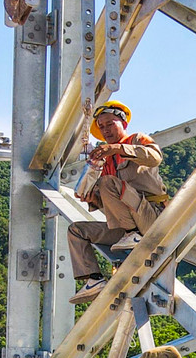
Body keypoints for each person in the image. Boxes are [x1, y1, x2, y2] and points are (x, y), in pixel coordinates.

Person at [69, 100, 169, 304]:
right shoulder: (106, 162)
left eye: (110, 123)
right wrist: (94, 199)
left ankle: (133, 234)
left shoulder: (137, 140)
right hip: (126, 228)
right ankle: (93, 279)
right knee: (76, 231)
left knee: (107, 182)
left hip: (152, 217)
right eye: (101, 126)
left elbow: (155, 157)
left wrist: (118, 149)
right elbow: (113, 204)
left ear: (123, 123)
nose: (105, 129)